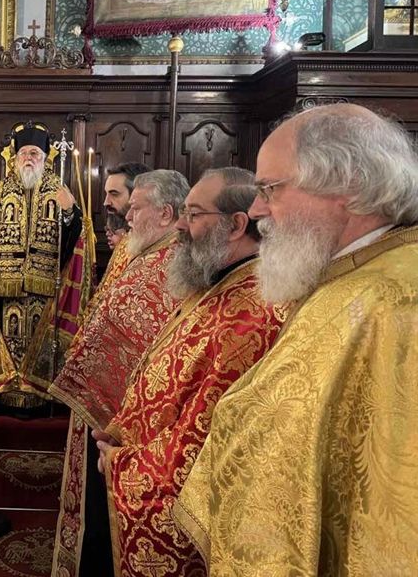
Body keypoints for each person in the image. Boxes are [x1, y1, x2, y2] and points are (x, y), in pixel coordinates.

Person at [175, 105, 418, 575]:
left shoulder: (392, 302)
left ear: (347, 184)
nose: (257, 210)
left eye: (270, 189)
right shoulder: (351, 279)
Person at [97, 167, 288, 576]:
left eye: (194, 214)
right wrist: (121, 428)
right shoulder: (217, 284)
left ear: (236, 225)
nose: (181, 226)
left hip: (176, 492)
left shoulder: (253, 314)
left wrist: (123, 462)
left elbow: (204, 434)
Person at [49, 169, 188, 577]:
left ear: (165, 214)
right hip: (106, 404)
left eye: (136, 207)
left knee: (107, 518)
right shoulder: (145, 251)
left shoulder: (172, 262)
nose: (127, 215)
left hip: (126, 420)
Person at [0, 122, 82, 411]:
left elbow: (74, 235)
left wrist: (69, 212)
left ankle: (39, 400)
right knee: (8, 341)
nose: (29, 158)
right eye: (24, 152)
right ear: (14, 158)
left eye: (35, 153)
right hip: (7, 287)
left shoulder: (58, 190)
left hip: (44, 283)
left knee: (40, 344)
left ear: (45, 158)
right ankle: (5, 398)